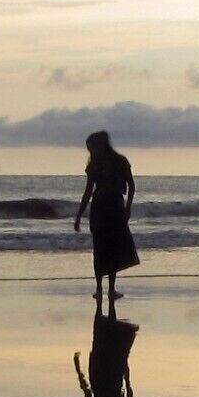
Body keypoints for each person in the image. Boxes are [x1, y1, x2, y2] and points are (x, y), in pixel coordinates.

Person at [72, 129, 139, 303]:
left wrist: (79, 215)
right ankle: (106, 288)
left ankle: (103, 288)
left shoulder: (107, 163)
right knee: (110, 249)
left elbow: (89, 192)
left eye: (91, 148)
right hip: (112, 206)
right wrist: (128, 207)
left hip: (105, 206)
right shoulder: (118, 161)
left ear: (99, 145)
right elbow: (131, 186)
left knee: (102, 249)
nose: (90, 152)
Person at [74, 308, 138, 397]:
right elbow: (86, 390)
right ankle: (105, 303)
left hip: (111, 376)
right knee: (104, 335)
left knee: (109, 337)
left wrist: (126, 374)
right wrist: (78, 369)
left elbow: (130, 394)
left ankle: (105, 303)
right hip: (101, 375)